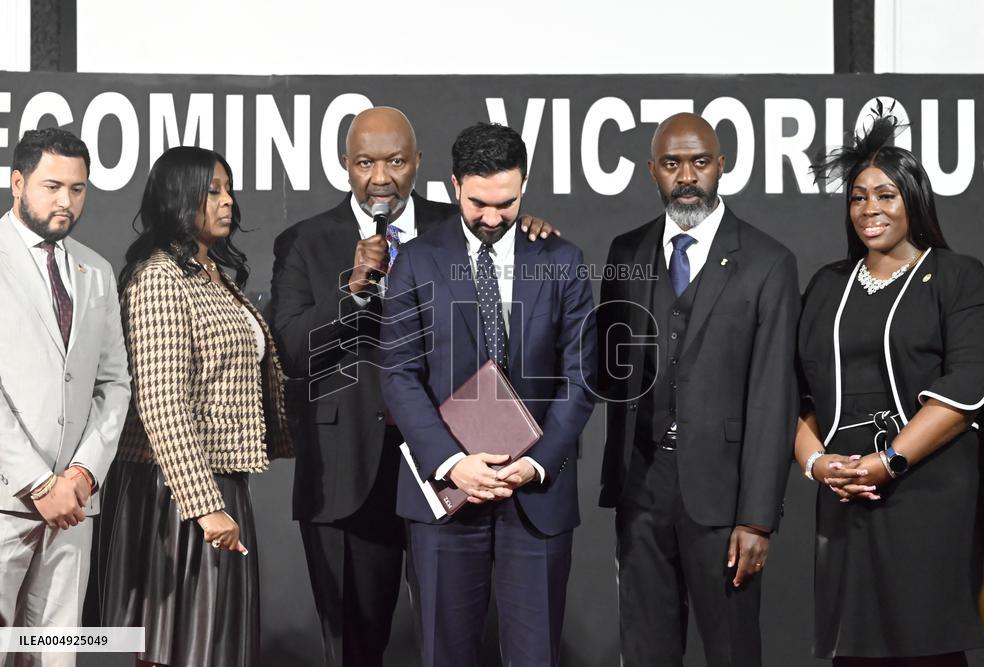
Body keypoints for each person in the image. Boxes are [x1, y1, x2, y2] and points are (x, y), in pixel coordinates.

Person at [268, 106, 558, 666]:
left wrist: (532, 233)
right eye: (365, 163)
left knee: (454, 639)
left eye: (396, 161)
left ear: (418, 163)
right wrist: (351, 292)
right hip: (351, 468)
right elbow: (294, 351)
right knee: (355, 647)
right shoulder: (303, 242)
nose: (381, 177)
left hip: (456, 459)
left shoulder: (468, 223)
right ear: (344, 166)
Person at [379, 122, 596, 666]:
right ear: (454, 185)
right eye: (479, 203)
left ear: (524, 186)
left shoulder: (562, 260)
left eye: (509, 202)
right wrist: (453, 462)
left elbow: (580, 377)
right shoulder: (416, 260)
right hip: (447, 496)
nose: (495, 217)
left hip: (537, 497)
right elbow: (400, 375)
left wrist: (537, 464)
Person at [597, 112, 799, 667]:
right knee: (644, 650)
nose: (687, 175)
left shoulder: (768, 261)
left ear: (721, 167)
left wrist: (757, 517)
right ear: (651, 172)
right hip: (641, 487)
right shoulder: (626, 252)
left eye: (699, 162)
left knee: (731, 651)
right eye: (671, 163)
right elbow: (603, 364)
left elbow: (772, 398)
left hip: (725, 497)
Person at [796, 110, 984, 666]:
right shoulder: (828, 285)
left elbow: (968, 388)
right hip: (845, 495)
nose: (869, 209)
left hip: (927, 492)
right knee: (854, 651)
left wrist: (888, 462)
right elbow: (798, 397)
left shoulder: (956, 276)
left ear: (914, 200)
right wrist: (819, 466)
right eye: (857, 197)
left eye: (885, 194)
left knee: (925, 649)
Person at [97, 146, 292, 667]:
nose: (228, 201)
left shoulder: (214, 275)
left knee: (215, 647)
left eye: (228, 189)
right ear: (178, 199)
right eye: (213, 192)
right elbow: (161, 404)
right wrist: (204, 505)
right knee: (174, 648)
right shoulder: (160, 277)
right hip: (174, 493)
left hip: (219, 481)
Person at [0, 128, 131, 667]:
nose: (66, 202)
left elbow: (114, 383)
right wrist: (39, 482)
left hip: (74, 509)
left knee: (56, 657)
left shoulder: (96, 271)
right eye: (52, 186)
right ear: (17, 183)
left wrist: (83, 475)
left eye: (78, 189)